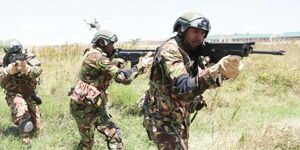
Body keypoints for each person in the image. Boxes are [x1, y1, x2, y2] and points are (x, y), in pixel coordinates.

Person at [141, 12, 243, 150]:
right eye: (194, 31)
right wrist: (216, 72)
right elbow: (183, 86)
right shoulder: (170, 50)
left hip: (180, 114)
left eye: (202, 33)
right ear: (181, 30)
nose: (199, 37)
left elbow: (199, 69)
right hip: (161, 117)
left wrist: (223, 71)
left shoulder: (193, 50)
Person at [69, 29, 152, 150]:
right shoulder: (97, 57)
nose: (113, 47)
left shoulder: (99, 57)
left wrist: (115, 64)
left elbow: (116, 77)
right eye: (111, 44)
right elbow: (124, 78)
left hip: (96, 106)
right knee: (87, 144)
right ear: (102, 42)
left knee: (115, 136)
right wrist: (141, 66)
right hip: (83, 108)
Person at [0, 39, 42, 144]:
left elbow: (38, 71)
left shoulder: (28, 57)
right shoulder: (2, 61)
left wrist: (27, 68)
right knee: (22, 110)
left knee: (36, 128)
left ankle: (27, 129)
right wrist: (7, 71)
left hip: (29, 93)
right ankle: (25, 140)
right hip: (13, 93)